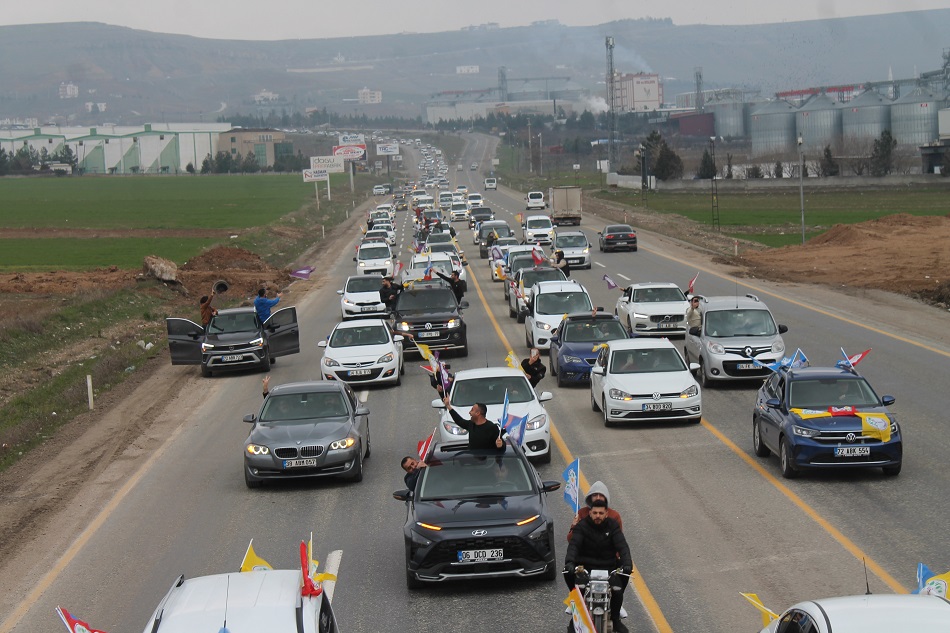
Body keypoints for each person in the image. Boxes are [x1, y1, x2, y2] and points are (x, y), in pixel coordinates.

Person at [564, 499, 633, 633]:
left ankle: (616, 619)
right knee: (577, 588)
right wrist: (570, 563)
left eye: (601, 513)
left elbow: (622, 546)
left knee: (618, 589)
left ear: (606, 513)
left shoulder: (613, 526)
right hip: (585, 567)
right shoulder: (582, 526)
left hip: (608, 567)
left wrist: (627, 563)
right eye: (595, 512)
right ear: (590, 513)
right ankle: (575, 617)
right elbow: (574, 546)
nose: (597, 516)